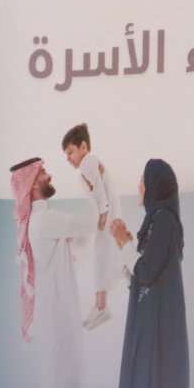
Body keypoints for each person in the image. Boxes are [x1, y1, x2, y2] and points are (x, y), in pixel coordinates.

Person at [10, 157, 86, 388]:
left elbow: (79, 238)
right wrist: (93, 189)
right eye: (42, 173)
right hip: (57, 314)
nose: (49, 175)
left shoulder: (45, 220)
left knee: (63, 381)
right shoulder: (43, 220)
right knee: (62, 383)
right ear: (31, 184)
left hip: (58, 312)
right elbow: (86, 224)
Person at [115, 158, 190, 388]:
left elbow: (146, 272)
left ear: (154, 186)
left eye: (142, 181)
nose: (139, 186)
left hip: (156, 326)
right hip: (149, 323)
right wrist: (124, 245)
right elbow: (142, 280)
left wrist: (125, 244)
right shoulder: (156, 222)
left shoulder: (164, 220)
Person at [60, 123, 130, 330]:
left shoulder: (88, 162)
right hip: (109, 215)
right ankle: (102, 302)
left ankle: (101, 306)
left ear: (83, 146)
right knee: (107, 255)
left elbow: (99, 190)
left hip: (106, 217)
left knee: (102, 257)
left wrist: (102, 213)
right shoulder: (90, 164)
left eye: (70, 152)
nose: (68, 158)